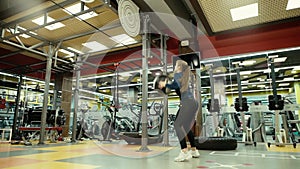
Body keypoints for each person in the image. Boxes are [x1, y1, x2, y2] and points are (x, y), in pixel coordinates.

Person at [158, 59, 200, 162]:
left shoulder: (178, 75)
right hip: (193, 103)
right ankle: (194, 150)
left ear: (179, 67)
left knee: (177, 125)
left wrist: (165, 85)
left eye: (176, 65)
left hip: (187, 103)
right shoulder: (187, 76)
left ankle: (184, 151)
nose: (175, 67)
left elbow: (175, 86)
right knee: (185, 126)